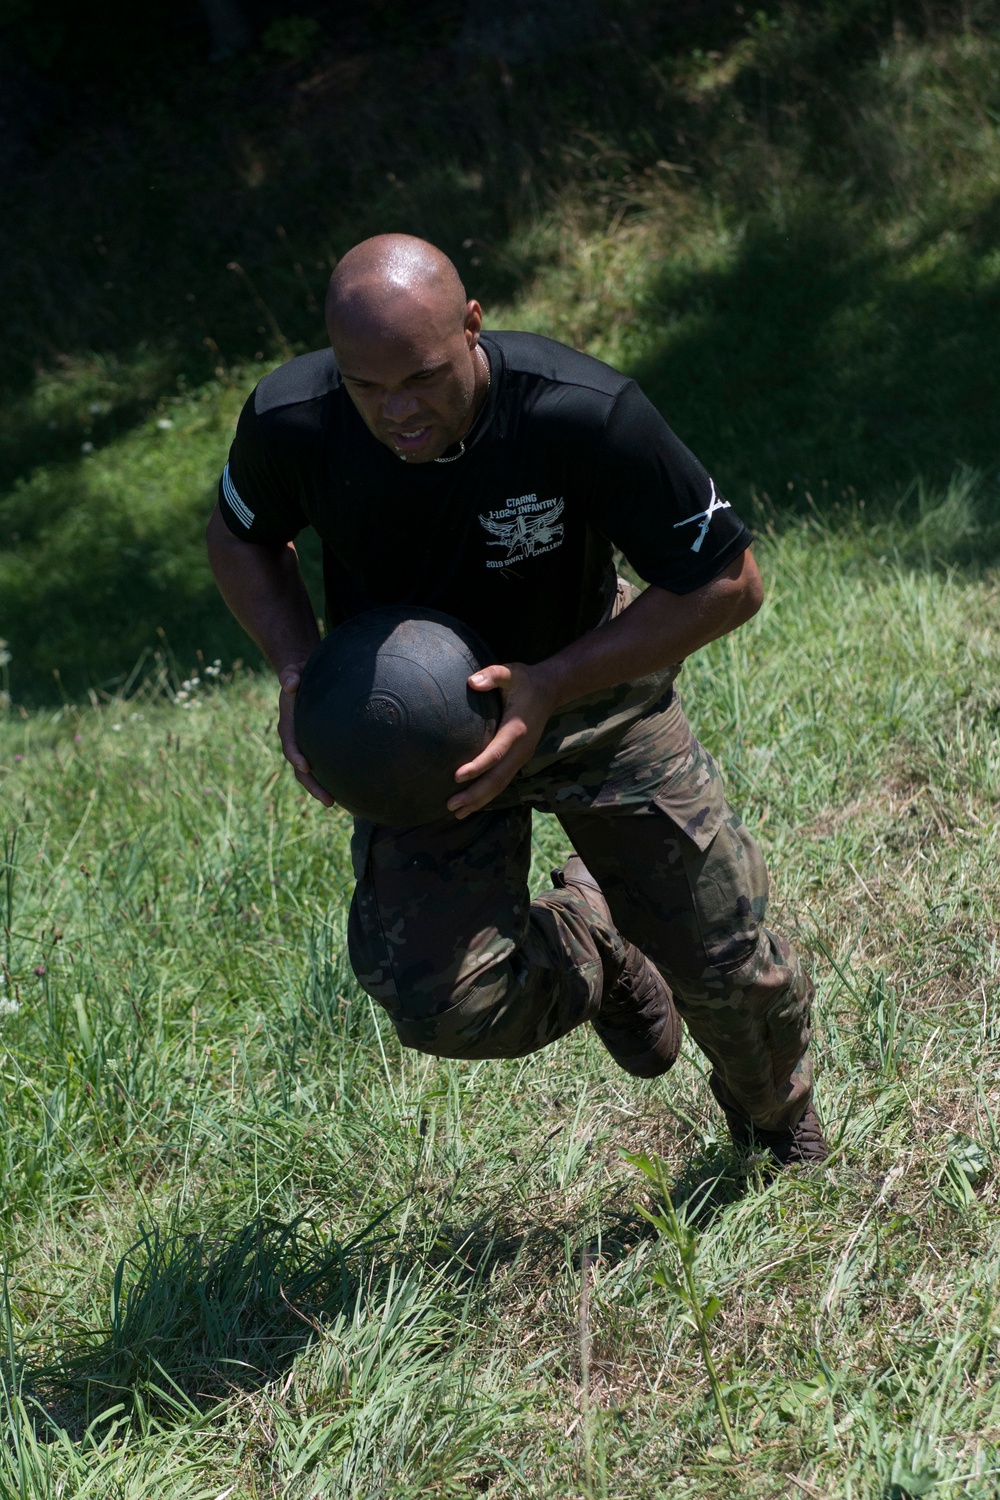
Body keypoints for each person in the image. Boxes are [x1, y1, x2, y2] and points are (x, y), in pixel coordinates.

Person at [207, 233, 827, 1168]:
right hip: (416, 737)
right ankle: (599, 940)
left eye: (420, 377)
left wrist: (550, 686)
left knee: (732, 972)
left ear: (471, 325)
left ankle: (772, 1123)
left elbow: (729, 581)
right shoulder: (294, 419)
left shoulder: (582, 412)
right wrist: (298, 670)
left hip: (586, 689)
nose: (398, 412)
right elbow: (239, 536)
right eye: (367, 387)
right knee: (437, 999)